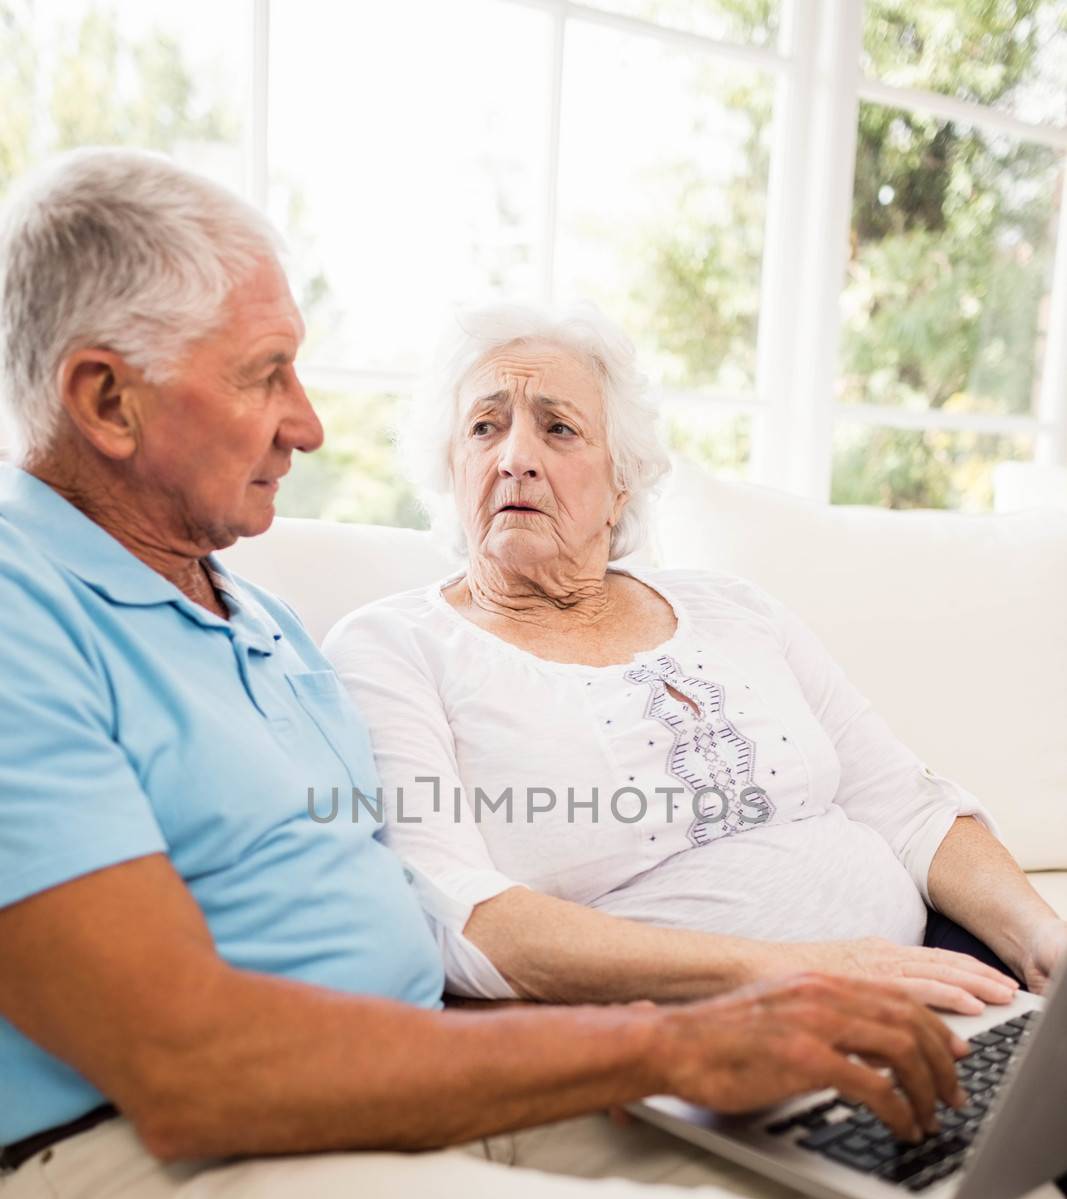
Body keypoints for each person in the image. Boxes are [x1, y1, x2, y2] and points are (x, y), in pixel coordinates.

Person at [1, 150, 1065, 1199]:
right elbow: (195, 1059)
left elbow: (892, 797)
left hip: (406, 1090)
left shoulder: (233, 607)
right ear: (105, 401)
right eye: (265, 377)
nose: (309, 424)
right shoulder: (30, 613)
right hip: (147, 1152)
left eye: (553, 427)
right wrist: (697, 1025)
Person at [324, 302, 1067, 1013]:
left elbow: (906, 806)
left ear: (621, 483)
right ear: (449, 468)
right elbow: (460, 916)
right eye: (484, 428)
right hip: (703, 1037)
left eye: (558, 429)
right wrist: (813, 971)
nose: (516, 457)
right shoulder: (394, 647)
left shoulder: (731, 608)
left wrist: (1042, 940)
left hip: (932, 974)